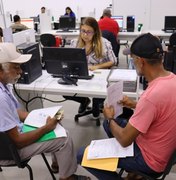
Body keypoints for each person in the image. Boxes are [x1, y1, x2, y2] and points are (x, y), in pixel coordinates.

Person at [77, 33, 176, 180]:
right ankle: (133, 172)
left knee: (81, 154)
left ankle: (133, 170)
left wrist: (109, 118)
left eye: (133, 59)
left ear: (141, 61)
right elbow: (162, 109)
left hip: (150, 160)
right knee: (111, 123)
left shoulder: (151, 96)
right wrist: (135, 104)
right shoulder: (172, 79)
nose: (132, 61)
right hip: (165, 152)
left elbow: (124, 140)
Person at [0, 42, 90, 180]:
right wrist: (46, 128)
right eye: (15, 67)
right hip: (9, 152)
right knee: (63, 138)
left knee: (55, 125)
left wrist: (39, 117)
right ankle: (67, 177)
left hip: (11, 141)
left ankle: (58, 164)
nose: (20, 71)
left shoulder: (4, 86)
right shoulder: (1, 98)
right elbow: (18, 142)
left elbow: (14, 112)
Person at [63, 17, 117, 118]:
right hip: (81, 75)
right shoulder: (75, 42)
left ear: (95, 32)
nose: (85, 35)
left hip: (98, 78)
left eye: (89, 32)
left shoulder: (104, 43)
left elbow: (113, 61)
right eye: (83, 31)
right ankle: (84, 100)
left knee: (96, 109)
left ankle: (96, 105)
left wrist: (97, 66)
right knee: (64, 90)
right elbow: (69, 59)